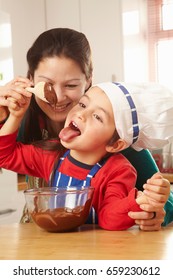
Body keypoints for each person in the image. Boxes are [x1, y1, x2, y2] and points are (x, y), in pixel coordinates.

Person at [0, 28, 171, 229]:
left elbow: (166, 202)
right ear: (30, 79)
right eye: (47, 84)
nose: (58, 96)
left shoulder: (116, 133)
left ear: (88, 80)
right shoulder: (21, 123)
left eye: (71, 86)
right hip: (37, 238)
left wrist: (155, 210)